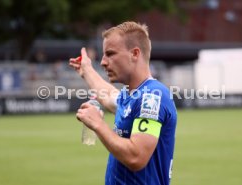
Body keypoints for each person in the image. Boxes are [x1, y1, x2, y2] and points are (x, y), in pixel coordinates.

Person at [69, 21, 177, 185]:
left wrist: (98, 124)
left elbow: (136, 157)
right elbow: (108, 95)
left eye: (110, 54)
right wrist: (86, 70)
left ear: (134, 54)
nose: (103, 62)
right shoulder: (132, 93)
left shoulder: (152, 96)